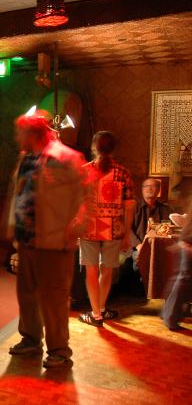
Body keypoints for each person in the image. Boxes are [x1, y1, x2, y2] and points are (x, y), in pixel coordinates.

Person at [2, 111, 88, 369]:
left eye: (20, 132)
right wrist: (11, 229)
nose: (17, 137)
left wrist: (77, 226)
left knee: (54, 299)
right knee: (27, 295)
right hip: (27, 240)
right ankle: (30, 340)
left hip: (55, 241)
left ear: (33, 133)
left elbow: (88, 194)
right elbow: (17, 194)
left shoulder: (66, 157)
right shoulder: (25, 159)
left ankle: (60, 351)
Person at [78, 132, 136, 327]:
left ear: (94, 147)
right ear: (113, 149)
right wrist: (126, 235)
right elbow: (129, 207)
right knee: (107, 270)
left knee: (91, 271)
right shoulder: (123, 173)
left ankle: (96, 315)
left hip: (89, 229)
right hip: (114, 230)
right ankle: (101, 309)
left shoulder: (84, 171)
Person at [162, 203, 192, 331]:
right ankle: (170, 317)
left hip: (187, 241)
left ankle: (169, 315)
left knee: (181, 279)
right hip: (189, 243)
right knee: (184, 279)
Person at [131, 178, 172, 253]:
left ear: (158, 190)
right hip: (135, 248)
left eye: (153, 186)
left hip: (158, 248)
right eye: (146, 186)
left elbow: (167, 229)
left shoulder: (165, 209)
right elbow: (128, 230)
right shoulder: (133, 207)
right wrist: (138, 245)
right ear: (142, 189)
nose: (149, 188)